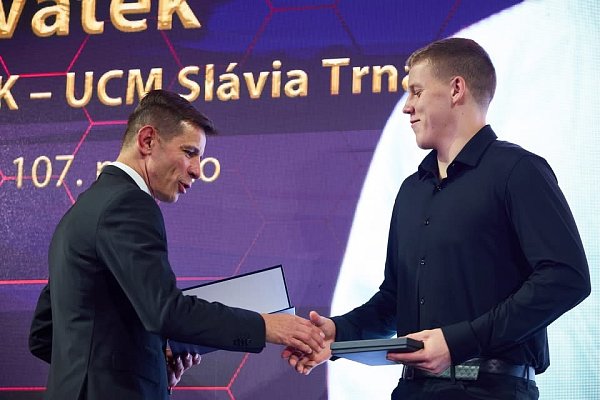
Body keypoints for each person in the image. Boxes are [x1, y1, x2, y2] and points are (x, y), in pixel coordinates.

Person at [283, 38, 591, 400]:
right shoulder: (412, 190)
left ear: (456, 89)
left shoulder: (518, 171)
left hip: (490, 391)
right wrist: (338, 332)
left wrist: (459, 341)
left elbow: (565, 277)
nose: (407, 107)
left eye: (416, 91)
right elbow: (394, 299)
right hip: (412, 390)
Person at [29, 89, 325, 400]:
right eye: (189, 152)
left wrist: (151, 366)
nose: (197, 170)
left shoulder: (82, 211)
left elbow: (44, 335)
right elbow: (166, 311)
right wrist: (264, 325)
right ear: (147, 141)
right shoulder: (128, 204)